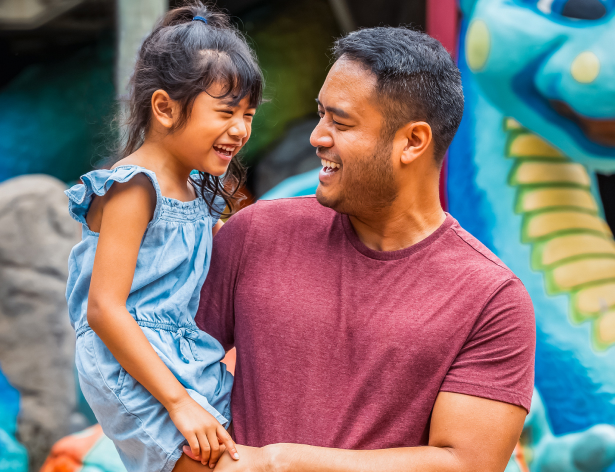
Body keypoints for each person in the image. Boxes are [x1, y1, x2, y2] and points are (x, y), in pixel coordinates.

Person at [184, 27, 537, 472]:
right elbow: (166, 374)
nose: (317, 137)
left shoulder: (492, 299)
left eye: (341, 122)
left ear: (413, 142)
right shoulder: (253, 234)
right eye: (320, 114)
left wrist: (280, 462)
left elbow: (465, 463)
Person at [64, 2, 263, 471]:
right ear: (165, 108)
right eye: (226, 112)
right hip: (129, 365)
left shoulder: (198, 192)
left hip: (183, 357)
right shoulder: (135, 186)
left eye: (249, 114)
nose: (240, 130)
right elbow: (103, 308)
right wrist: (178, 402)